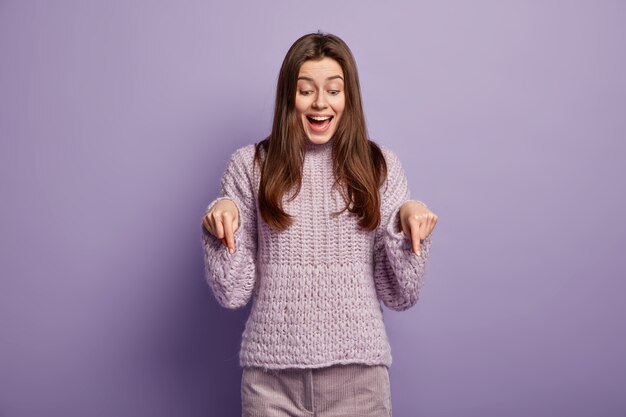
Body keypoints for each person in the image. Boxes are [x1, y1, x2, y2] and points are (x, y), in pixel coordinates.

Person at [201, 32, 438, 417]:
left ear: (348, 98)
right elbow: (231, 292)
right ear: (287, 98)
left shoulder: (379, 166)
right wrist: (222, 226)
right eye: (306, 90)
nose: (320, 103)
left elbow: (401, 294)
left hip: (359, 382)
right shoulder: (249, 166)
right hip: (270, 382)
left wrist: (407, 229)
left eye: (333, 90)